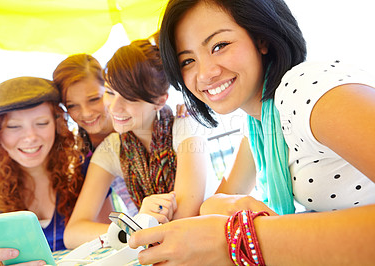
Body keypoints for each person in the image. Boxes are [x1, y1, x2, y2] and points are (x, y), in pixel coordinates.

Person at [128, 0, 375, 265]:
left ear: (261, 39)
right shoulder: (260, 126)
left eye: (219, 46)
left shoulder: (305, 90)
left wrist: (243, 237)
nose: (205, 74)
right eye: (188, 61)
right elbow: (215, 202)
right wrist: (218, 207)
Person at [63, 38, 219, 249]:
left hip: (208, 246)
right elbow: (73, 234)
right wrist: (132, 226)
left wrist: (137, 228)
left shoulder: (184, 126)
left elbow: (181, 221)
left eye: (130, 98)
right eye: (110, 93)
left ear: (160, 100)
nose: (115, 108)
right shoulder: (111, 148)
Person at [0, 77, 86, 265]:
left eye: (42, 123)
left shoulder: (82, 169)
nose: (31, 138)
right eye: (14, 126)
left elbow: (107, 241)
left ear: (58, 125)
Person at [53, 53, 138, 217]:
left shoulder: (139, 127)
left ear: (109, 91)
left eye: (94, 99)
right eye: (72, 105)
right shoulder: (83, 157)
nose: (86, 113)